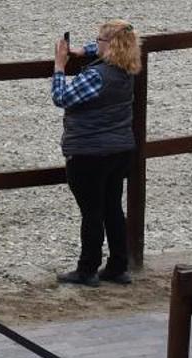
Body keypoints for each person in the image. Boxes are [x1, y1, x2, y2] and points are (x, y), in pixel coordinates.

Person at [52, 20, 142, 287]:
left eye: (99, 41)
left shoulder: (96, 76)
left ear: (110, 46)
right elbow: (106, 48)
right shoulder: (129, 67)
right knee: (113, 208)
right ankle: (117, 266)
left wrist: (59, 66)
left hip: (89, 152)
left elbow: (61, 97)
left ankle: (87, 268)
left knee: (91, 212)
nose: (96, 44)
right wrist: (83, 51)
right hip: (120, 149)